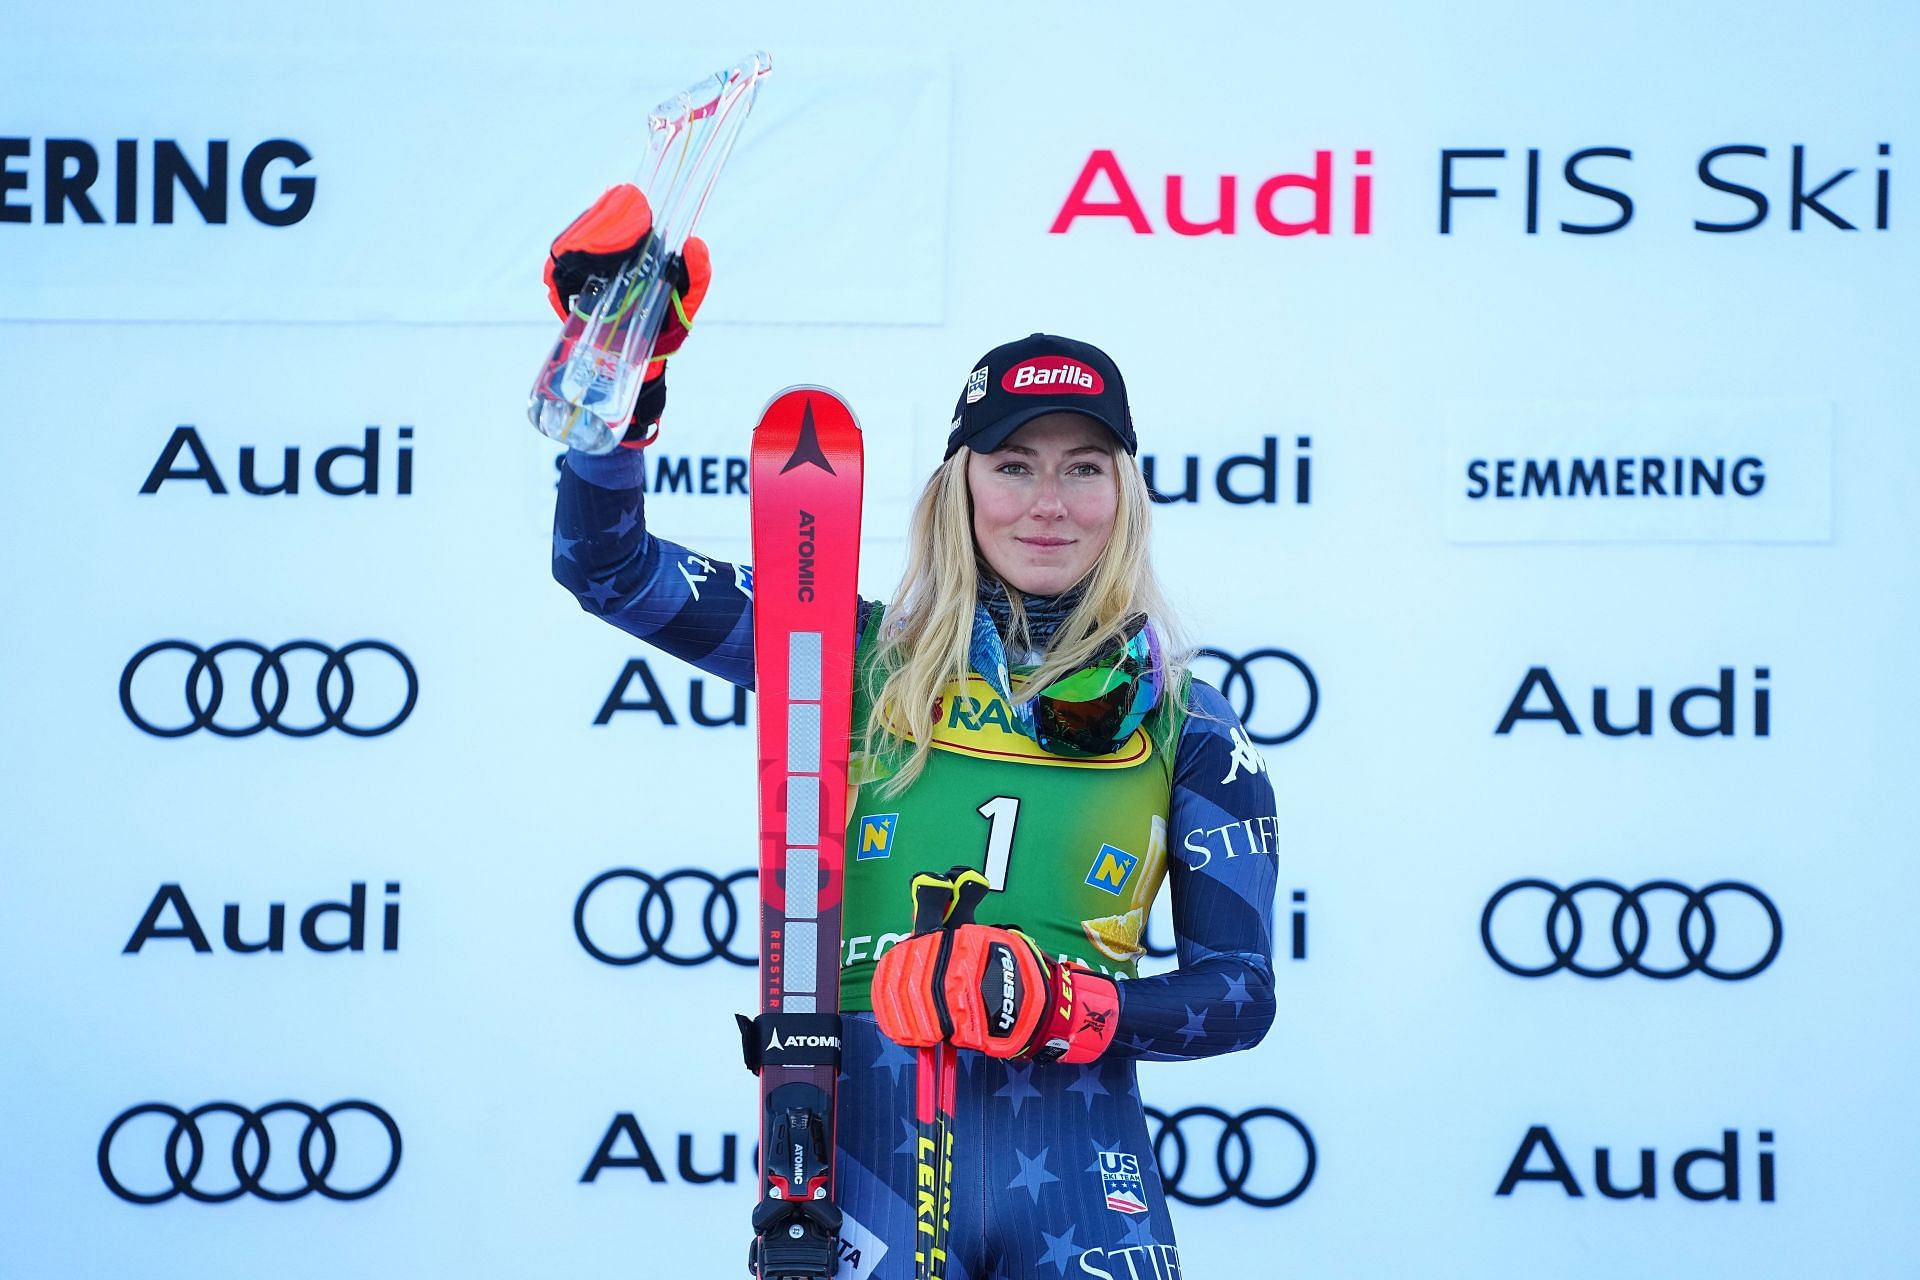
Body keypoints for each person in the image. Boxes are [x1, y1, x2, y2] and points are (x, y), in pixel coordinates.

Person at [546, 187, 1277, 1279]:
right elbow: (610, 571)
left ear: (1124, 492)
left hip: (1084, 1181)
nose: (1049, 500)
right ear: (958, 485)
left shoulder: (1190, 724)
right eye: (1013, 462)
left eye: (1084, 465)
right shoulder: (841, 653)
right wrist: (613, 393)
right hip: (865, 1165)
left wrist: (1071, 1000)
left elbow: (1240, 994)